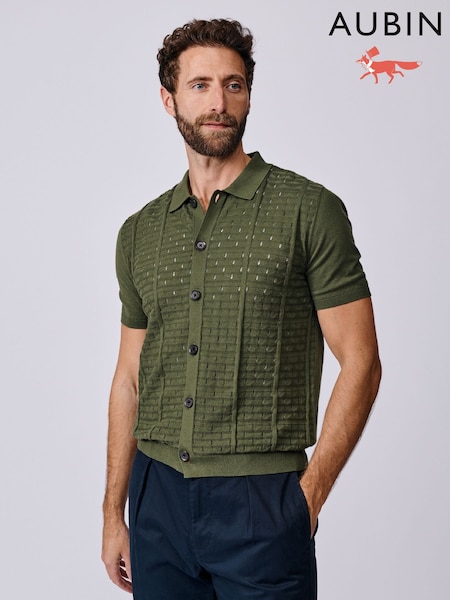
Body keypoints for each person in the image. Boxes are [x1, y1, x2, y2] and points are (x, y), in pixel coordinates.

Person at [101, 18, 381, 600]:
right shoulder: (140, 232)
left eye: (233, 84)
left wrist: (308, 498)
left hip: (261, 499)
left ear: (249, 94)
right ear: (169, 99)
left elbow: (361, 361)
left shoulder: (308, 210)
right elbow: (128, 377)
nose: (219, 103)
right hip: (156, 499)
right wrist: (113, 512)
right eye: (200, 85)